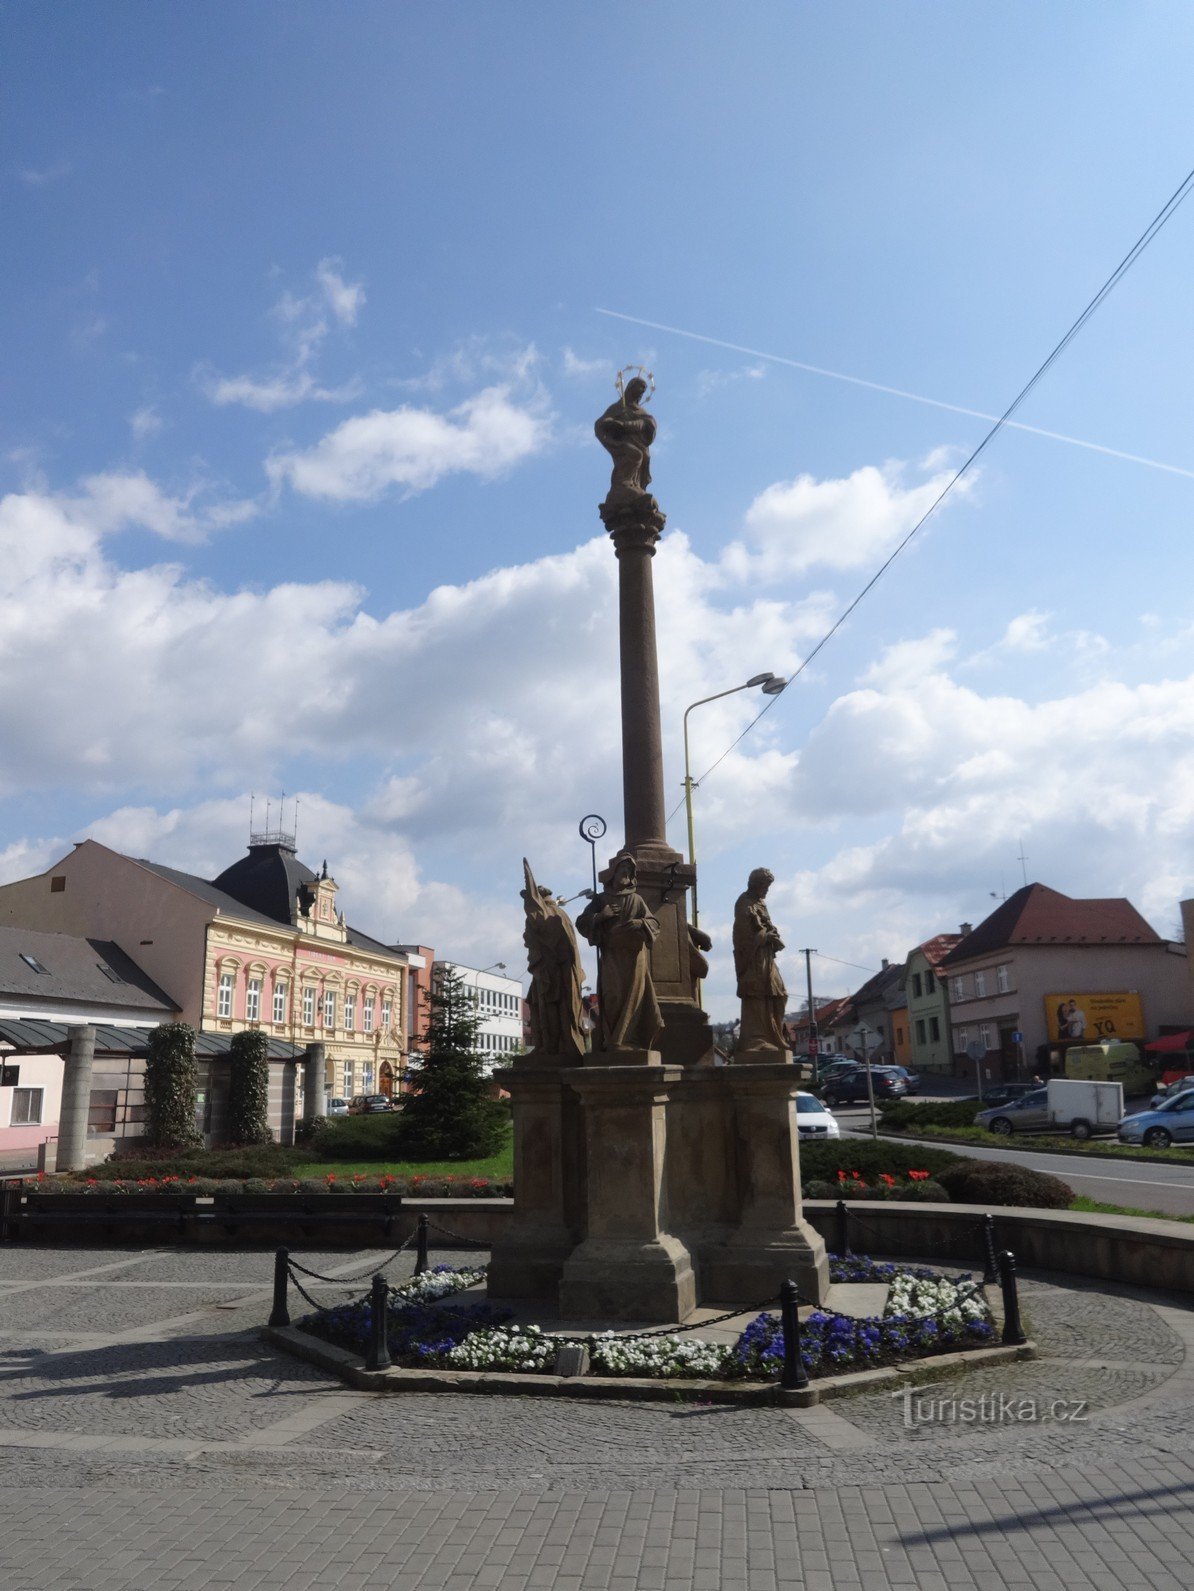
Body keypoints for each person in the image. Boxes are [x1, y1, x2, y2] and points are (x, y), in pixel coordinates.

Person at [576, 853, 663, 1051]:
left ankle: (629, 1041)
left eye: (628, 872)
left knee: (635, 997)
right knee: (612, 996)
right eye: (622, 870)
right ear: (613, 873)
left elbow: (654, 923)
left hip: (634, 958)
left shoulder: (637, 899)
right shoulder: (601, 899)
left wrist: (640, 923)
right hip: (612, 957)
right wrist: (601, 916)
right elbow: (582, 922)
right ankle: (612, 1039)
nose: (625, 874)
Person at [521, 859, 587, 1059]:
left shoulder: (552, 916)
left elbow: (546, 939)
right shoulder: (559, 914)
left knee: (548, 1005)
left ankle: (549, 1048)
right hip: (548, 969)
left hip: (552, 971)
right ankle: (546, 1046)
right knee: (538, 1005)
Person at [732, 867, 788, 1055]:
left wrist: (772, 934)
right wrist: (765, 935)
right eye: (765, 886)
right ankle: (757, 1039)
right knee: (757, 994)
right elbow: (743, 936)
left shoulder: (760, 903)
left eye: (768, 887)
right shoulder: (744, 903)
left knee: (780, 995)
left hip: (766, 956)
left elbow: (765, 927)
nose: (767, 890)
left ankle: (775, 1036)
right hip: (753, 959)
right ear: (756, 884)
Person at [594, 376, 657, 505]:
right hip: (623, 444)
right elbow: (600, 424)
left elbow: (649, 423)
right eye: (640, 387)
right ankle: (623, 484)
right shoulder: (617, 408)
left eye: (644, 389)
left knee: (641, 457)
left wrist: (629, 424)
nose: (642, 391)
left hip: (640, 444)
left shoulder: (640, 411)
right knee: (634, 455)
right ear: (631, 387)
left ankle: (635, 485)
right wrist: (612, 424)